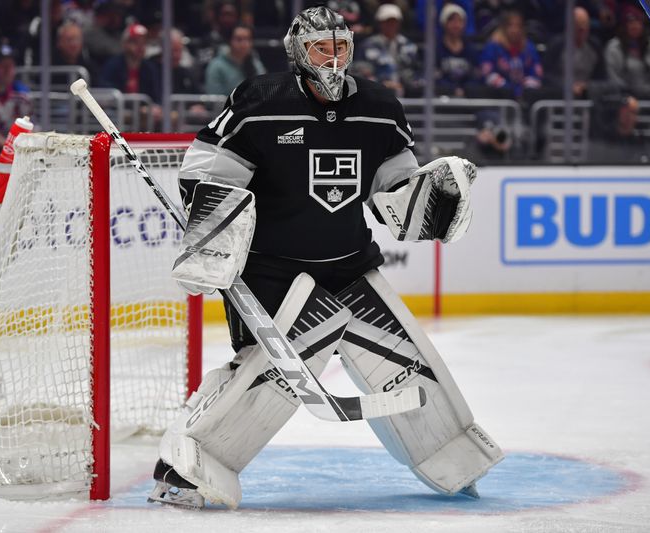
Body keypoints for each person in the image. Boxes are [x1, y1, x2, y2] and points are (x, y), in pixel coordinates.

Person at [149, 5, 502, 510]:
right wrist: (211, 229)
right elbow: (205, 168)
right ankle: (185, 468)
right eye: (321, 48)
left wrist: (433, 200)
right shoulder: (260, 101)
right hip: (273, 273)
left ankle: (449, 452)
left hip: (350, 266)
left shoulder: (380, 108)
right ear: (298, 51)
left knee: (405, 366)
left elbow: (394, 194)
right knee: (271, 381)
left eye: (340, 48)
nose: (333, 59)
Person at [359, 3, 421, 97]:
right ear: (380, 22)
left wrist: (405, 84)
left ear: (399, 23)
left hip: (407, 94)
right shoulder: (367, 45)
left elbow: (417, 71)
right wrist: (381, 83)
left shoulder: (409, 46)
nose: (391, 25)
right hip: (377, 95)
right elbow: (361, 73)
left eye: (394, 21)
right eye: (387, 21)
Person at [603, 4, 650, 100]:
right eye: (631, 22)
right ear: (624, 25)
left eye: (637, 22)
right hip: (623, 98)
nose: (634, 26)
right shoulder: (613, 47)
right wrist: (628, 93)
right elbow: (612, 77)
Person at [204, 25, 266, 96]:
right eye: (239, 39)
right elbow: (215, 97)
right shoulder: (216, 66)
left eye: (248, 39)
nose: (244, 44)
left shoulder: (256, 64)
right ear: (229, 41)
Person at [436, 3, 478, 97]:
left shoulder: (470, 49)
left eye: (460, 21)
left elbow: (475, 76)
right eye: (452, 20)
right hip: (442, 97)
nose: (456, 25)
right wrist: (452, 90)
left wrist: (466, 90)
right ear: (444, 23)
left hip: (468, 98)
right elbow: (434, 77)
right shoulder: (436, 49)